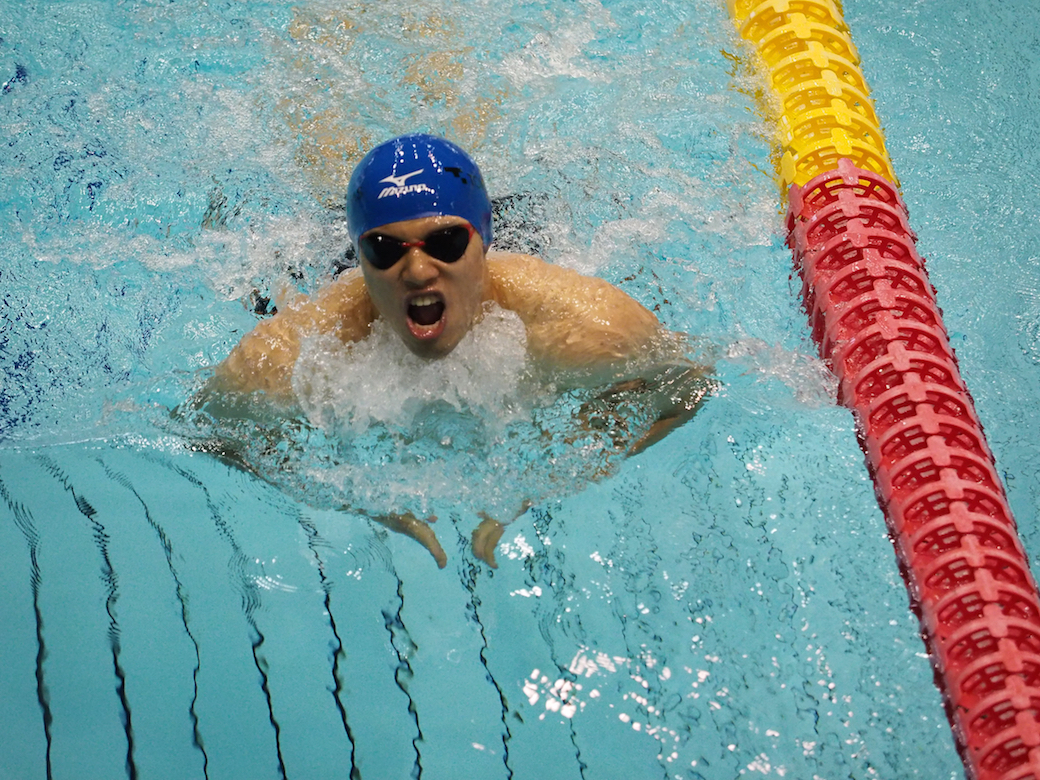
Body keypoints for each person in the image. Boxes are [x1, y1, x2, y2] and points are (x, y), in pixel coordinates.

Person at [200, 133, 711, 568]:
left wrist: (547, 480)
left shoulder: (583, 326)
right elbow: (212, 435)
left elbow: (688, 388)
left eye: (445, 242)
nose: (418, 271)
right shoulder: (293, 351)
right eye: (384, 249)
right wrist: (355, 500)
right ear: (360, 257)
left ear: (483, 241)